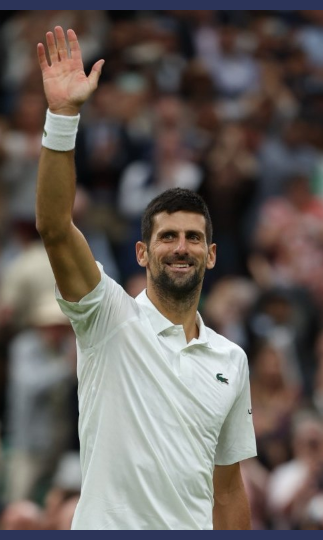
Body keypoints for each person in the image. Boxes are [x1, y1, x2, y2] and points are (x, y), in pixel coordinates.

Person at [34, 26, 255, 529]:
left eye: (194, 238)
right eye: (168, 237)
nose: (181, 248)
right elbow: (53, 227)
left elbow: (227, 492)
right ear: (142, 251)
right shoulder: (107, 317)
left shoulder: (232, 360)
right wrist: (63, 117)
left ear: (212, 255)